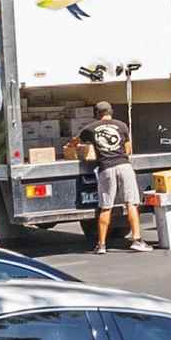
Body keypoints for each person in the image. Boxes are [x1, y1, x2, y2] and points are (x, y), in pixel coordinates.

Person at [69, 101, 146, 253]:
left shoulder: (90, 128)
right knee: (131, 204)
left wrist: (70, 147)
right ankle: (137, 240)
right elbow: (128, 149)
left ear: (97, 114)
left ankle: (102, 245)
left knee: (105, 207)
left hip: (106, 168)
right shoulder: (122, 126)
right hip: (124, 166)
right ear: (111, 112)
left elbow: (74, 142)